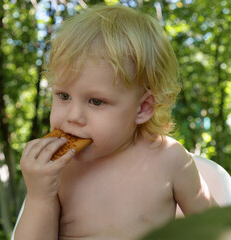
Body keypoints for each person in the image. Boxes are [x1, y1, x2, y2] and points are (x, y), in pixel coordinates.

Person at [14, 4, 217, 240]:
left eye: (96, 101)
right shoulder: (58, 172)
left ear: (142, 108)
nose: (73, 116)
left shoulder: (170, 160)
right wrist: (39, 195)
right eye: (64, 96)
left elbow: (217, 230)